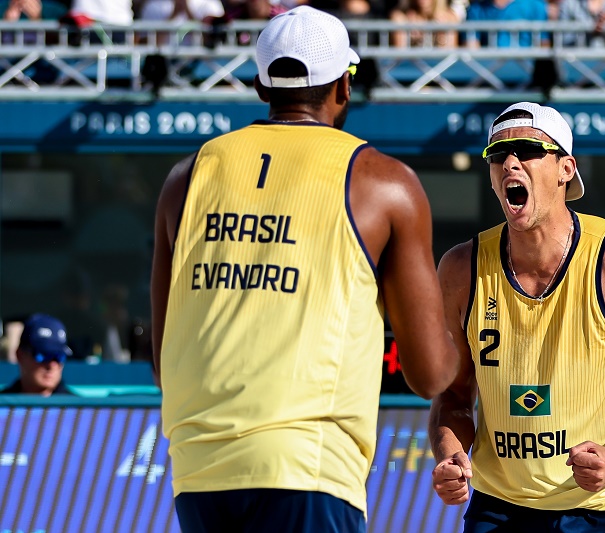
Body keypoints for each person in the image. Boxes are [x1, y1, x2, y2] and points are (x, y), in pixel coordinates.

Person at [150, 6, 460, 532]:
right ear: (343, 86)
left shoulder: (186, 178)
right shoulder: (384, 182)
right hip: (310, 467)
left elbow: (164, 360)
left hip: (200, 472)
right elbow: (428, 372)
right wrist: (464, 354)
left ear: (259, 86)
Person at [427, 102, 605, 531]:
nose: (510, 161)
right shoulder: (461, 268)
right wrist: (449, 455)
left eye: (527, 150)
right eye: (497, 155)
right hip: (502, 506)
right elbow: (454, 398)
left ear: (565, 169)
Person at [0, 313, 73, 396]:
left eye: (59, 357)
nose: (52, 365)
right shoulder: (3, 405)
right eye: (43, 355)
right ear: (20, 355)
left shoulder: (79, 407)